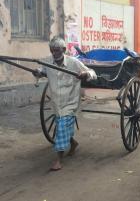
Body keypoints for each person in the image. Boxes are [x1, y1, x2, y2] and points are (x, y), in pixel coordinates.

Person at [33, 36, 97, 171]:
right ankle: (73, 143)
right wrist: (37, 73)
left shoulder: (74, 62)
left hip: (70, 101)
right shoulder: (48, 62)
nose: (54, 53)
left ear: (63, 49)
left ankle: (58, 160)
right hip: (57, 102)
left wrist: (85, 74)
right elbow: (42, 72)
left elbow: (93, 73)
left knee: (61, 126)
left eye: (57, 50)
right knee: (63, 126)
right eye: (52, 50)